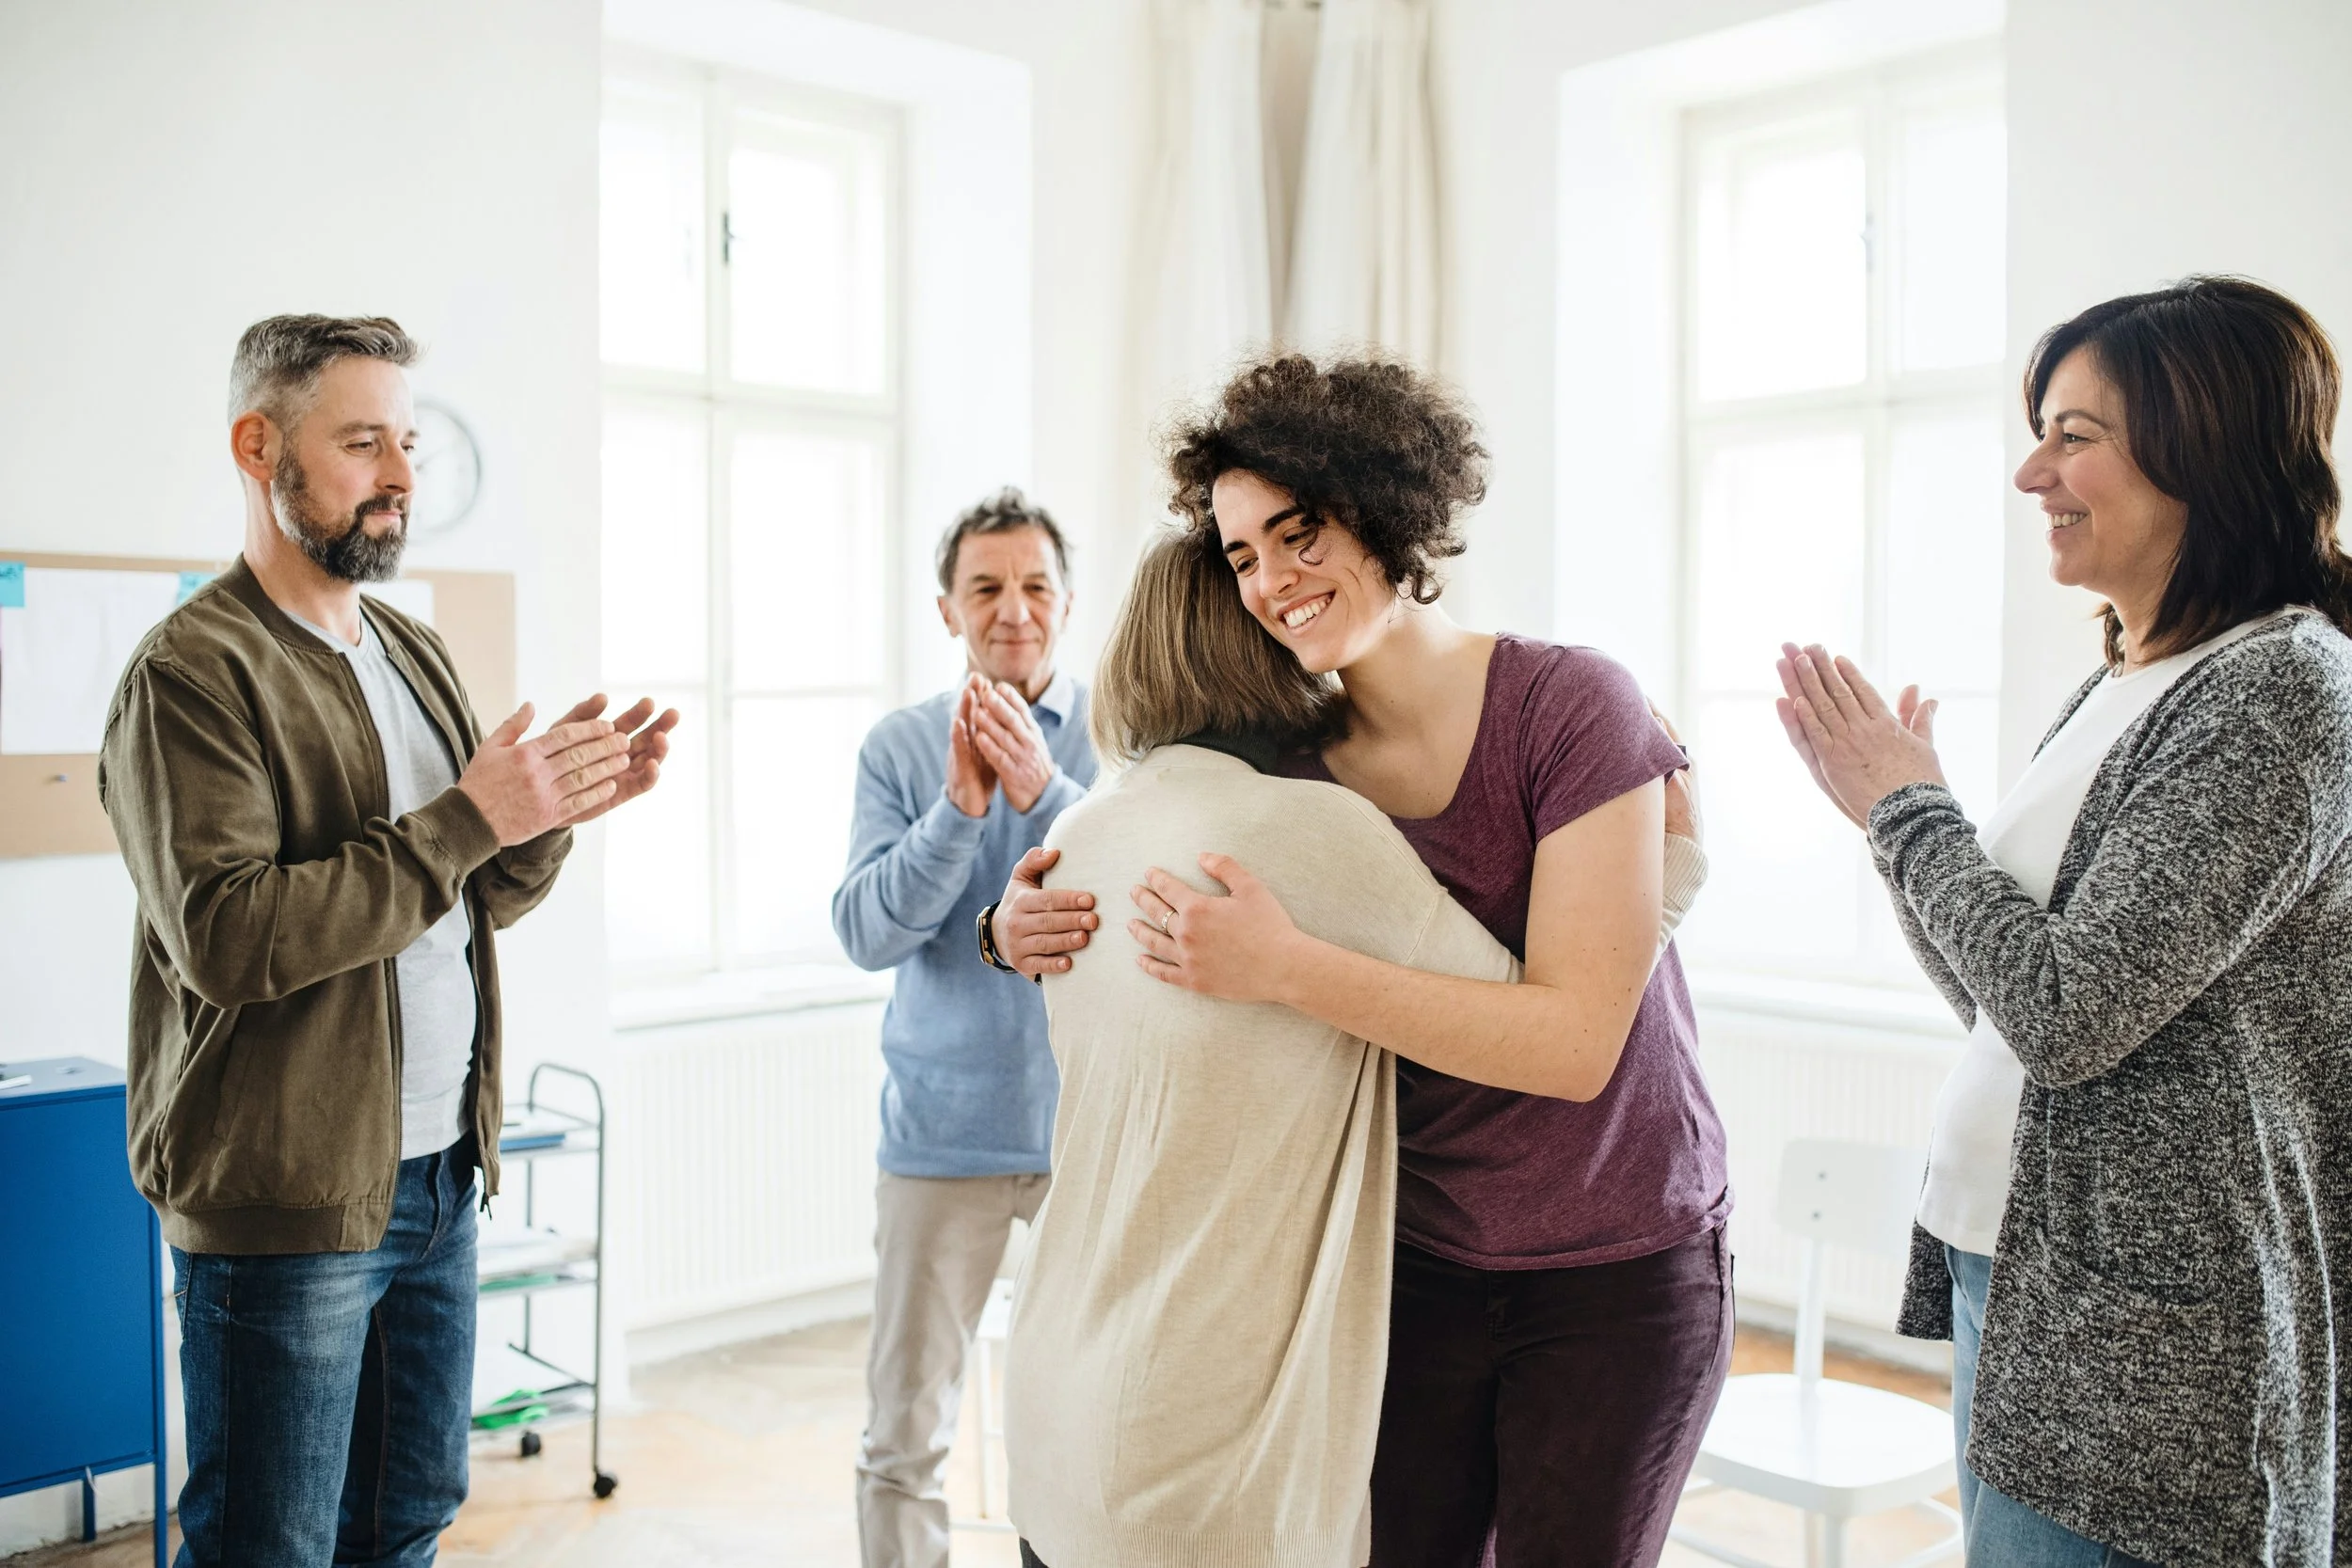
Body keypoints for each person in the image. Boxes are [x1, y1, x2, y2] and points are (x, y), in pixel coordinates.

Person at [996, 356, 1727, 1566]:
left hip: (1613, 1270)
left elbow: (1573, 1042)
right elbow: (1144, 830)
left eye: (1301, 532)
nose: (1275, 580)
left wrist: (1287, 967)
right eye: (1242, 556)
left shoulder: (1569, 705)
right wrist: (1004, 926)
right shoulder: (1295, 774)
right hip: (1414, 1260)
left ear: (1383, 507)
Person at [1773, 276, 2352, 1567]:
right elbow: (2007, 999)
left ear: (2206, 452)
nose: (2034, 471)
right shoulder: (2124, 677)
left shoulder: (2275, 692)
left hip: (2149, 1341)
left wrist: (1912, 808)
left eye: (2075, 435)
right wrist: (1891, 821)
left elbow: (2072, 1012)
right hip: (2036, 1279)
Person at [98, 314, 675, 1568]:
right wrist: (474, 814)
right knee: (270, 1545)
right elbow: (230, 936)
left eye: (407, 441)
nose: (402, 475)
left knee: (402, 1523)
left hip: (436, 1180)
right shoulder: (192, 675)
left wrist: (549, 812)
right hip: (287, 1200)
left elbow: (471, 891)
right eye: (363, 441)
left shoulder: (408, 649)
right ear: (261, 447)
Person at [830, 487, 1097, 1568]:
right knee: (905, 1429)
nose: (1013, 609)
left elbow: (1153, 895)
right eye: (985, 586)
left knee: (1078, 1423)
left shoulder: (1121, 734)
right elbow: (866, 931)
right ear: (946, 607)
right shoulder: (898, 747)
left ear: (1067, 602)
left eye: (1035, 585)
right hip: (940, 1140)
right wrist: (963, 809)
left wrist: (1050, 790)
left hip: (1094, 1140)